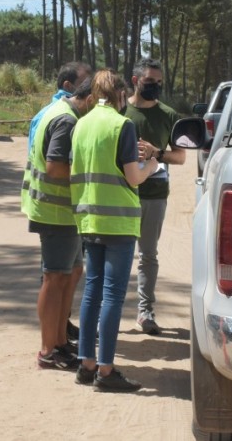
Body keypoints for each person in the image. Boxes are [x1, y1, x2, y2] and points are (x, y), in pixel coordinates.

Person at [70, 69, 159, 392]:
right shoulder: (122, 125)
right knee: (112, 295)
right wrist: (152, 165)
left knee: (92, 292)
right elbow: (133, 177)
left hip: (89, 218)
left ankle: (86, 363)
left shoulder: (81, 125)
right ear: (121, 94)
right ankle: (106, 372)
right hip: (118, 220)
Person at [22, 78, 94, 370]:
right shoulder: (65, 120)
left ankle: (60, 341)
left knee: (71, 273)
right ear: (89, 99)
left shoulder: (63, 112)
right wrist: (89, 173)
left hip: (64, 213)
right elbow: (54, 167)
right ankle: (48, 350)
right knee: (54, 278)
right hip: (56, 213)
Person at [123, 58, 185, 335]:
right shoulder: (120, 110)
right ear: (136, 81)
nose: (155, 87)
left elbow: (180, 157)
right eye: (150, 82)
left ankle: (145, 312)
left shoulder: (169, 115)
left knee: (148, 254)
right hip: (120, 194)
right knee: (117, 254)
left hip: (154, 194)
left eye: (159, 83)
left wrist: (156, 152)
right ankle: (106, 313)